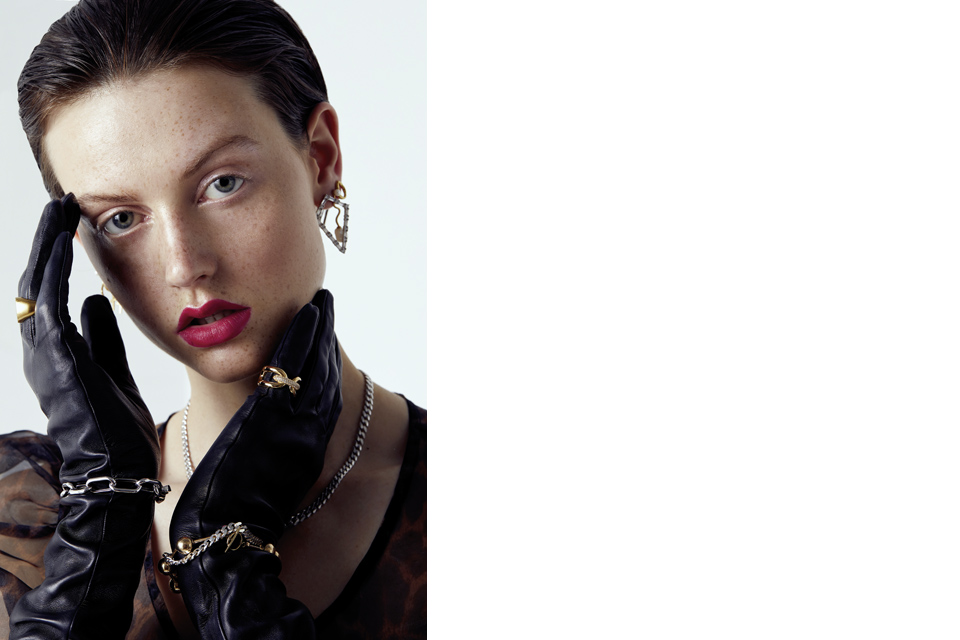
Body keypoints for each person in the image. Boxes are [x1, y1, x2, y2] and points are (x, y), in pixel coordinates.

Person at [0, 0, 426, 638]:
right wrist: (102, 516)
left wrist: (225, 556)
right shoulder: (23, 510)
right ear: (78, 244)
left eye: (223, 183)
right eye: (121, 219)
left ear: (320, 158)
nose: (184, 265)